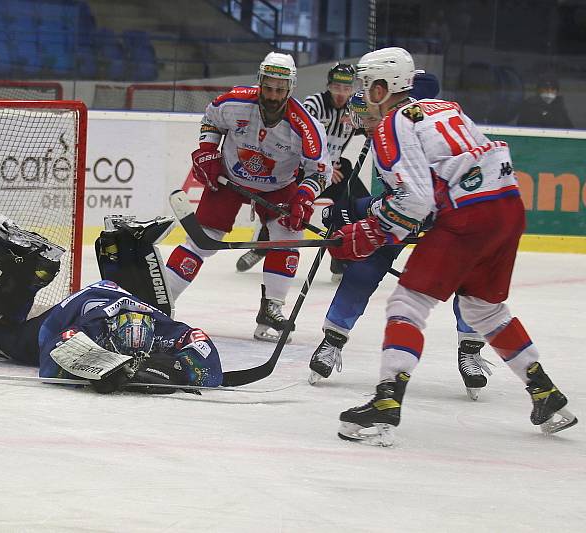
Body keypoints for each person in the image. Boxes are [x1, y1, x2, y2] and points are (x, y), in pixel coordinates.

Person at [330, 47, 577, 445]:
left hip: (469, 217)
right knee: (485, 308)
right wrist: (385, 224)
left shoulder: (393, 125)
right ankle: (545, 393)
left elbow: (415, 201)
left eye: (365, 84)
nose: (362, 92)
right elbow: (452, 177)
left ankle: (386, 402)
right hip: (508, 206)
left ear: (381, 87)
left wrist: (370, 232)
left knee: (406, 305)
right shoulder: (444, 107)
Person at [308, 73, 492, 402]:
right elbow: (399, 195)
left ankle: (471, 347)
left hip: (446, 214)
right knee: (366, 264)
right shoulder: (384, 131)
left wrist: (360, 212)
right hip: (407, 210)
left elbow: (430, 83)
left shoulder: (409, 125)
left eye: (364, 115)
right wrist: (350, 210)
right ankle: (332, 340)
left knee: (469, 275)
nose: (360, 123)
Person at [164, 52, 332, 343]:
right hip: (229, 179)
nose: (273, 95)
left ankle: (272, 309)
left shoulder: (305, 125)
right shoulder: (234, 101)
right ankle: (161, 301)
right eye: (268, 87)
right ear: (260, 82)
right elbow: (211, 121)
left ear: (290, 89)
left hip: (279, 186)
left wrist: (305, 195)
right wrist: (207, 151)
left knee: (286, 238)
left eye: (280, 89)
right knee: (202, 240)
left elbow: (319, 171)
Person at [0, 211, 223, 394]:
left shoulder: (159, 325)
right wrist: (104, 372)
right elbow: (52, 358)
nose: (133, 358)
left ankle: (126, 243)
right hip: (71, 313)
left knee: (162, 308)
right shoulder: (93, 327)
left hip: (114, 295)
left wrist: (177, 369)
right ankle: (31, 263)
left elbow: (204, 351)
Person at [236, 63, 366, 278]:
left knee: (356, 204)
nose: (341, 94)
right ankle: (261, 247)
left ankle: (340, 258)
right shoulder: (314, 104)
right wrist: (324, 166)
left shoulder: (354, 108)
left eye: (346, 89)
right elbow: (301, 134)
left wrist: (369, 123)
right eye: (336, 88)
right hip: (307, 169)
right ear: (328, 86)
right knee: (284, 209)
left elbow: (374, 124)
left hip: (336, 170)